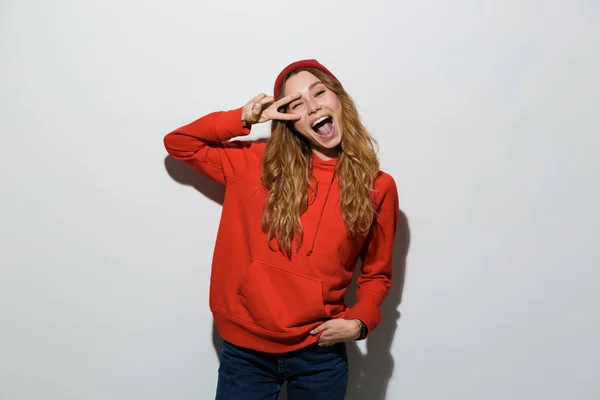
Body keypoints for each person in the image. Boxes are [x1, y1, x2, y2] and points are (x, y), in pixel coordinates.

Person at [163, 59, 399, 399]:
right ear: (288, 120)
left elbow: (377, 274)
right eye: (297, 104)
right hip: (246, 353)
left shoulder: (378, 187)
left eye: (319, 92)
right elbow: (179, 143)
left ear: (339, 99)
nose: (313, 105)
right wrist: (244, 118)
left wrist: (361, 321)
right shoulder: (254, 163)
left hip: (321, 352)